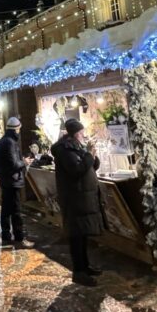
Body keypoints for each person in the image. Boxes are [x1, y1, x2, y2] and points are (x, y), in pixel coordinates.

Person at [53, 119, 104, 286]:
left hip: (83, 197)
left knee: (82, 235)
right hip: (74, 198)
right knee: (76, 236)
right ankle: (79, 272)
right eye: (82, 133)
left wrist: (93, 154)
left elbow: (90, 167)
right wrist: (89, 154)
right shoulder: (65, 150)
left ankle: (85, 266)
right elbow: (77, 170)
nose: (84, 135)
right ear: (75, 134)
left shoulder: (77, 147)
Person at [0, 116, 33, 250]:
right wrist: (24, 162)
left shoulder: (3, 141)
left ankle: (6, 236)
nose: (19, 132)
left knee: (6, 209)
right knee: (15, 211)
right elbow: (13, 164)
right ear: (16, 129)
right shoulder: (10, 142)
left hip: (6, 180)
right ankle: (19, 238)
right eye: (19, 129)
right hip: (12, 180)